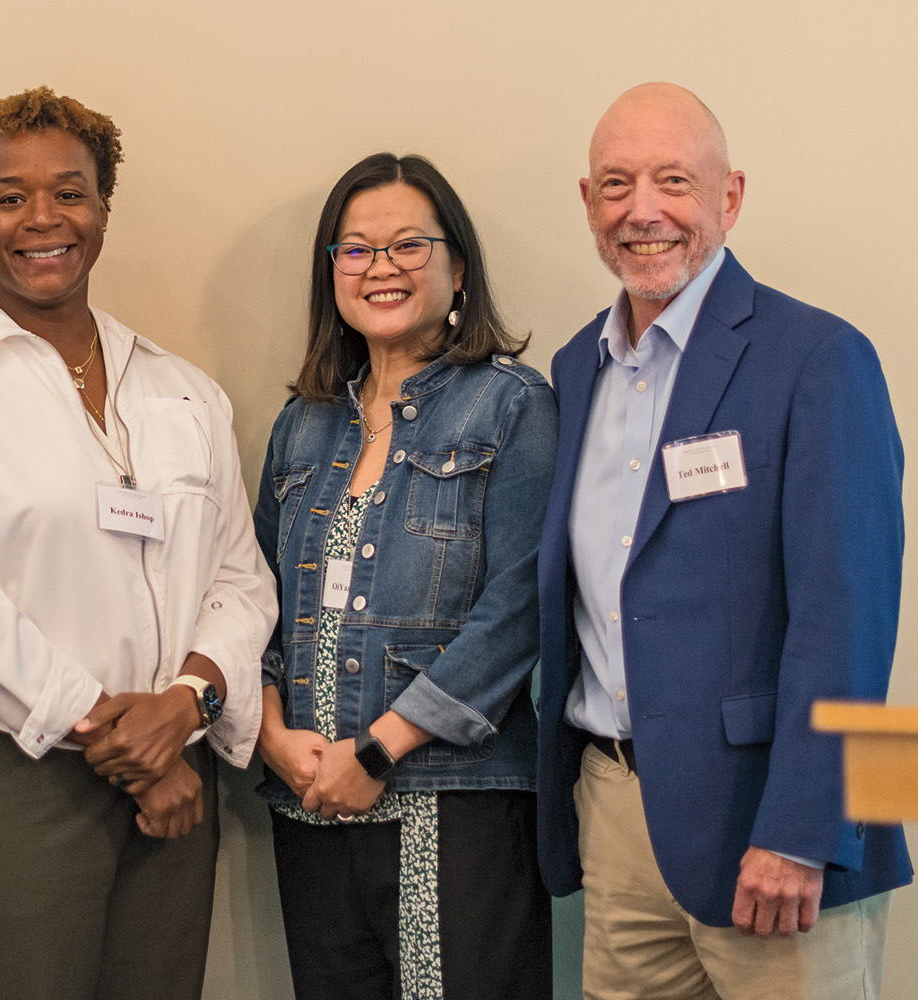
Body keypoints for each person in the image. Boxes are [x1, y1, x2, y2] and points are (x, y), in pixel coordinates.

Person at [0, 86, 277, 1000]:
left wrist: (184, 706)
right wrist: (120, 739)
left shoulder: (180, 389)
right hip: (10, 779)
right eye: (10, 197)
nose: (42, 219)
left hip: (178, 768)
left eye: (70, 192)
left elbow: (241, 582)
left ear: (103, 207)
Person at [536, 81, 912, 999]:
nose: (644, 210)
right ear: (588, 203)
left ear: (730, 197)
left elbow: (853, 617)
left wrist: (804, 828)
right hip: (619, 814)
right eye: (616, 184)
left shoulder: (821, 356)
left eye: (675, 180)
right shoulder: (575, 367)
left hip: (778, 828)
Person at [253, 152, 557, 1000]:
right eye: (355, 250)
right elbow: (256, 604)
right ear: (332, 275)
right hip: (309, 800)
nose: (380, 267)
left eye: (407, 246)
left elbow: (518, 608)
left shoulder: (511, 406)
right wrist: (275, 738)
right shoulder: (302, 426)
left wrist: (379, 750)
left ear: (458, 266)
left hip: (447, 800)